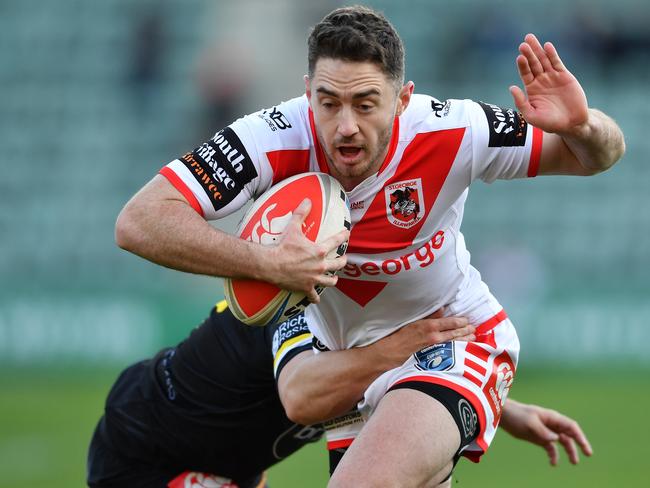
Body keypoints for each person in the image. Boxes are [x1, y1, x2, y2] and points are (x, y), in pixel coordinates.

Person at [114, 5, 624, 486]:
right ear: (308, 91)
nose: (346, 126)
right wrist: (270, 263)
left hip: (453, 337)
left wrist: (585, 126)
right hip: (354, 366)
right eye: (329, 103)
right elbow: (139, 221)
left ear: (403, 100)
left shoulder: (454, 129)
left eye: (366, 104)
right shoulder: (272, 138)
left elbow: (593, 155)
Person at [87, 301, 591, 488]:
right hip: (143, 448)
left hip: (233, 465)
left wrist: (507, 411)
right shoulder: (290, 308)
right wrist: (396, 349)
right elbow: (305, 395)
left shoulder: (372, 312)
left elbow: (402, 370)